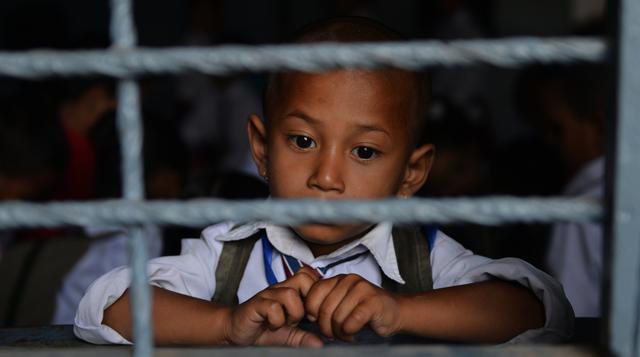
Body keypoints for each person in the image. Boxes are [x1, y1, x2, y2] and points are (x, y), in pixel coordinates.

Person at [74, 17, 573, 346]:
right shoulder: (228, 253)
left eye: (364, 152)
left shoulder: (424, 258)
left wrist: (399, 310)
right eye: (303, 142)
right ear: (262, 150)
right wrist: (225, 324)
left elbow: (537, 310)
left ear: (411, 174)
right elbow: (108, 308)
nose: (327, 177)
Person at [515, 65, 606, 317]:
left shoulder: (580, 211)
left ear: (598, 125)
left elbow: (571, 322)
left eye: (555, 129)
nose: (547, 142)